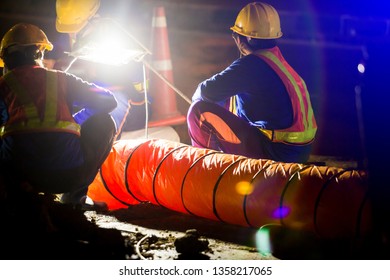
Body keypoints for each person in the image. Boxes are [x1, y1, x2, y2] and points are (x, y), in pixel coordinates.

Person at [0, 23, 117, 207]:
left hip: (20, 178)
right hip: (67, 177)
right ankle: (74, 198)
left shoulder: (3, 86)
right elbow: (109, 102)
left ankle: (12, 197)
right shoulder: (60, 79)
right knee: (105, 122)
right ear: (39, 53)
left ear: (5, 59)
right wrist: (74, 121)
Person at [187, 2, 317, 163]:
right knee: (228, 102)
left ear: (244, 38)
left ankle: (205, 170)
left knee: (198, 111)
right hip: (296, 152)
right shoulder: (276, 62)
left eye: (236, 35)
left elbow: (205, 92)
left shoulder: (252, 65)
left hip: (275, 153)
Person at [55, 0, 151, 140]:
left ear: (94, 19)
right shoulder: (66, 40)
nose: (71, 35)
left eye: (76, 29)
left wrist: (140, 93)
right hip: (88, 99)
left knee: (115, 100)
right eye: (68, 30)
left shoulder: (118, 41)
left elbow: (139, 92)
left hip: (122, 104)